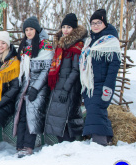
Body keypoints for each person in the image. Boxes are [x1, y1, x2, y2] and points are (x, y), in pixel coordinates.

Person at [79, 9, 121, 146]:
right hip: (89, 84)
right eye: (93, 23)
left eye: (99, 22)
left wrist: (108, 86)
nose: (95, 26)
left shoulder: (111, 41)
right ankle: (106, 138)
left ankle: (99, 141)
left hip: (102, 83)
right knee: (94, 111)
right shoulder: (90, 42)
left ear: (104, 23)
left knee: (97, 110)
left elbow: (114, 66)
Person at [13, 16, 53, 158]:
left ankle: (28, 146)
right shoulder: (25, 45)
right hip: (26, 85)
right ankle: (20, 145)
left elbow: (46, 69)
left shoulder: (45, 44)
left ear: (37, 29)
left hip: (39, 87)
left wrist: (36, 88)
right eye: (26, 30)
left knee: (32, 114)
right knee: (22, 114)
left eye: (31, 29)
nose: (29, 32)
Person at [44, 13, 87, 143]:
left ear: (74, 29)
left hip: (69, 87)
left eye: (69, 27)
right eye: (64, 27)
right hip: (58, 85)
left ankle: (69, 143)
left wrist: (65, 89)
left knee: (67, 117)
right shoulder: (60, 45)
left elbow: (75, 70)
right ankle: (65, 144)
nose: (66, 30)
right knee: (58, 116)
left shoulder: (76, 46)